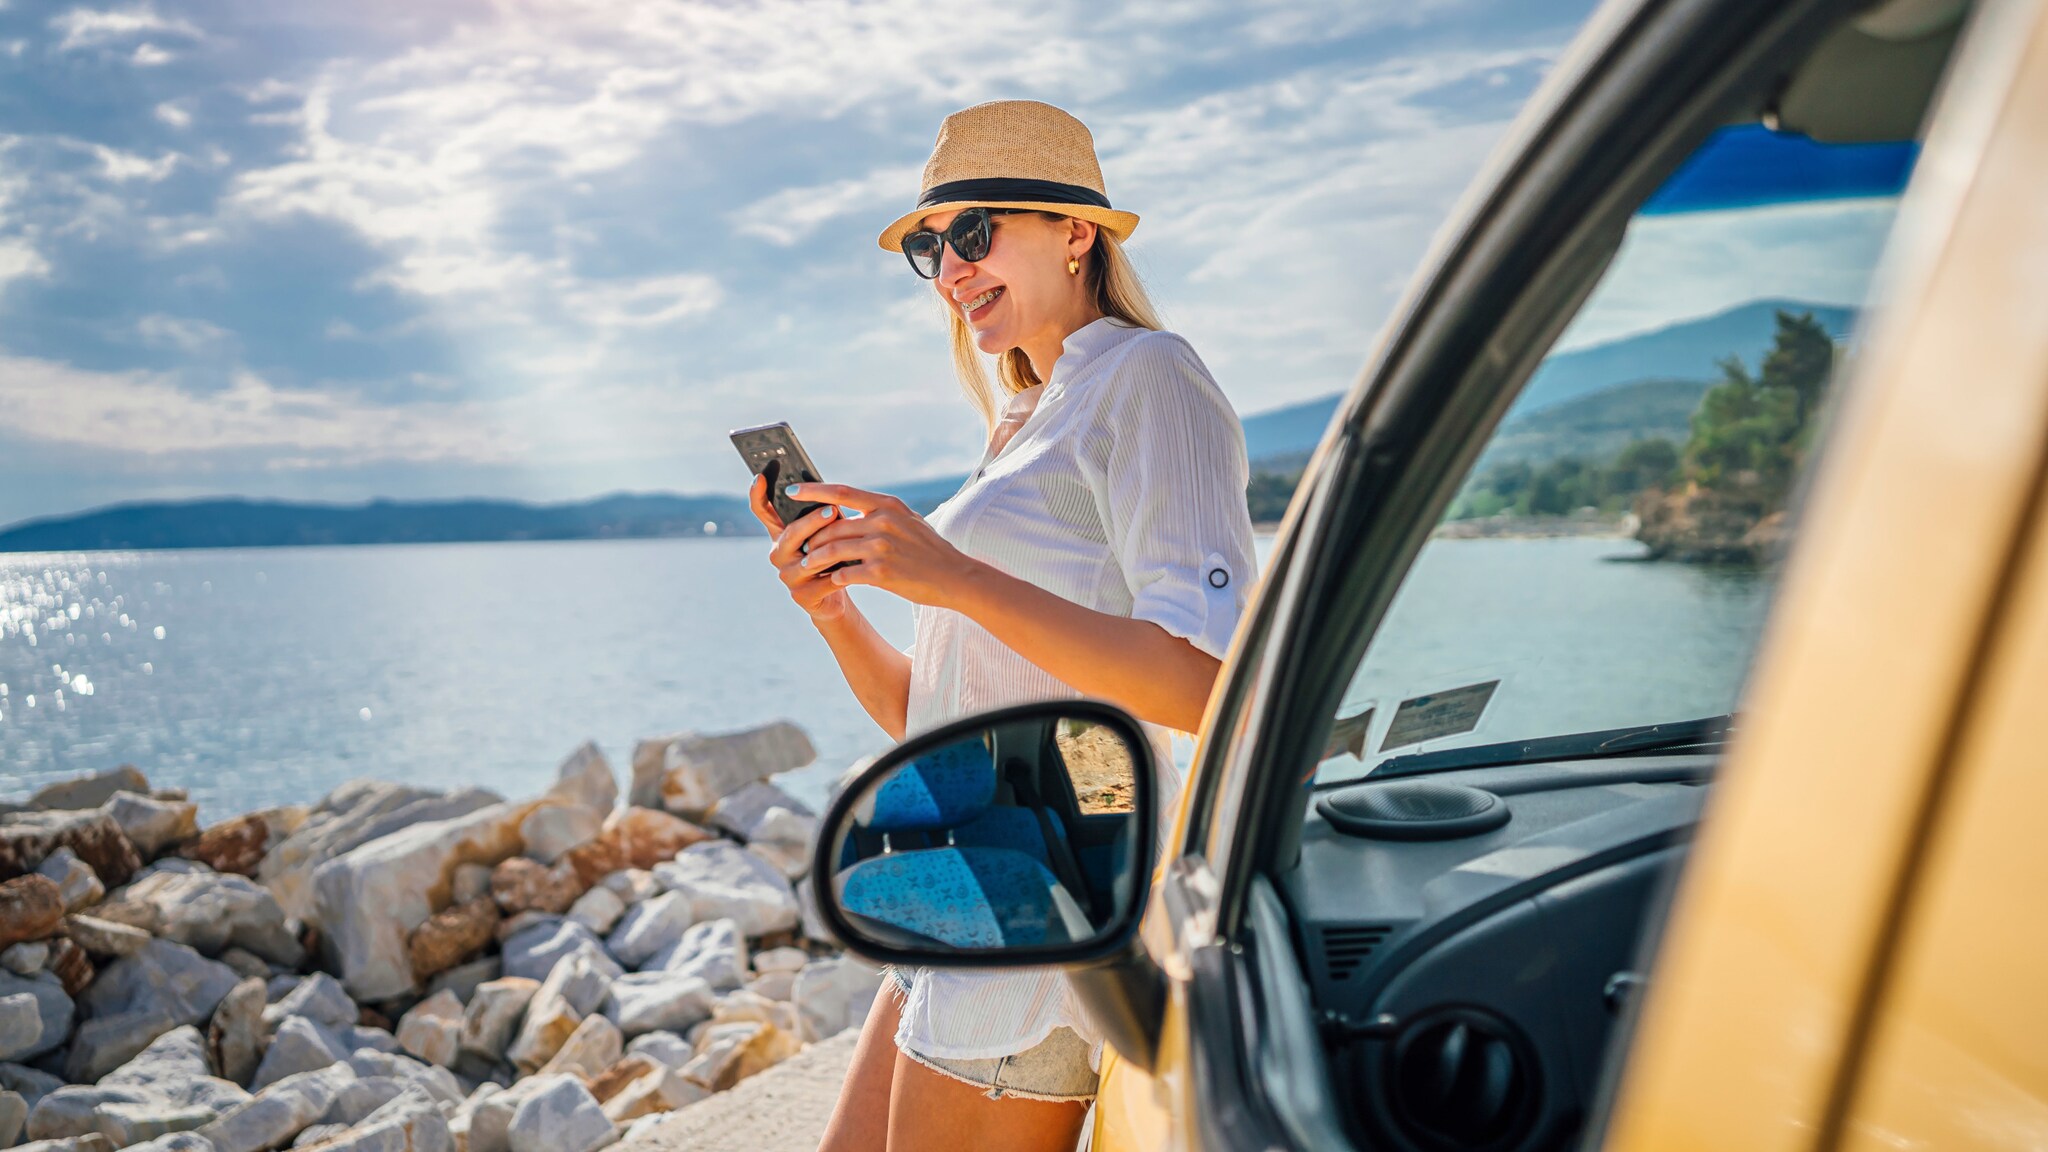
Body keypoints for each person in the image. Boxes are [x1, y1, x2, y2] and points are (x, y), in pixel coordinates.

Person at [747, 99, 1258, 1152]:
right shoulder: (1026, 416)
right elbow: (934, 718)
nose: (947, 267)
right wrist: (833, 610)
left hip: (1044, 911)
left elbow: (1207, 683)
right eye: (928, 246)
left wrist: (953, 576)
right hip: (960, 886)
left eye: (971, 233)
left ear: (1077, 234)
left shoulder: (1149, 378)